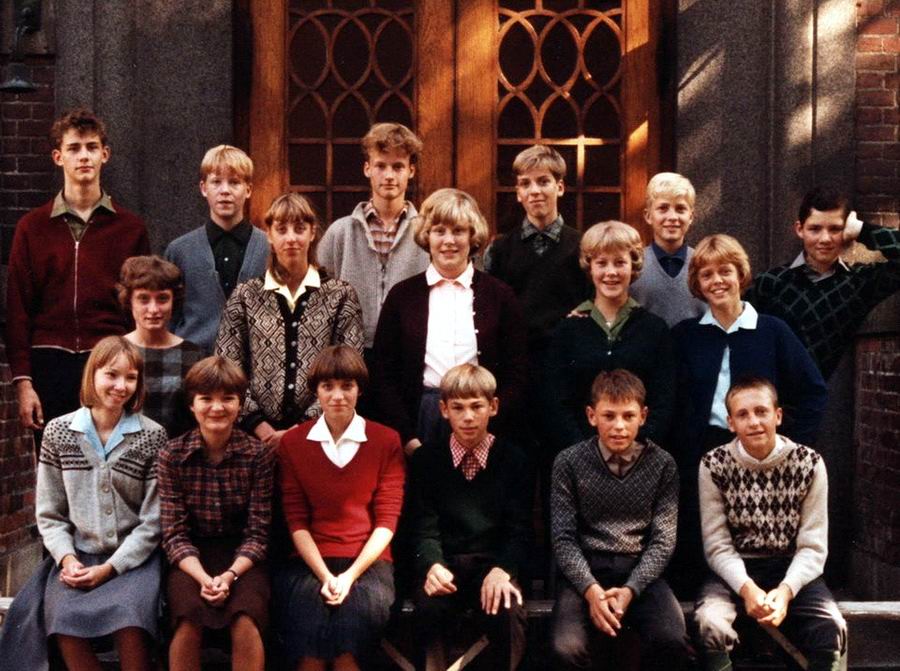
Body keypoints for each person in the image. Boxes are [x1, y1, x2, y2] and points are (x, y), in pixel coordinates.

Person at [670, 234, 827, 596]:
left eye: (725, 271)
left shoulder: (772, 331)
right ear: (697, 284)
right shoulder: (685, 336)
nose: (717, 281)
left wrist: (789, 447)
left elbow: (813, 391)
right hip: (701, 452)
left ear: (740, 274)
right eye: (707, 274)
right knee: (702, 537)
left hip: (760, 451)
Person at [0, 336, 166, 671]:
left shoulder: (152, 436)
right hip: (78, 553)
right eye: (111, 375)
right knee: (61, 617)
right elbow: (50, 514)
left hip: (134, 559)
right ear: (93, 375)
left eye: (130, 377)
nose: (120, 386)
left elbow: (153, 520)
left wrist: (111, 568)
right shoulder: (59, 432)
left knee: (131, 615)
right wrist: (67, 559)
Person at [6, 109, 150, 444]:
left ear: (105, 154)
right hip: (49, 362)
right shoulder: (32, 227)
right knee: (55, 466)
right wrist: (24, 383)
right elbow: (17, 309)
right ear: (58, 157)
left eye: (91, 147)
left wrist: (133, 369)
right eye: (73, 148)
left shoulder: (130, 228)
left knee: (111, 461)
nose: (83, 156)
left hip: (109, 362)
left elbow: (140, 309)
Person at [695, 377, 846, 671]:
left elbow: (813, 547)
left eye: (761, 411)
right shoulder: (714, 464)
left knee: (830, 625)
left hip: (792, 567)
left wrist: (786, 591)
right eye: (743, 414)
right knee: (710, 622)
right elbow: (717, 545)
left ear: (777, 415)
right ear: (730, 423)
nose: (754, 422)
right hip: (735, 568)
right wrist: (747, 589)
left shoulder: (809, 463)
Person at [274, 345, 405, 670]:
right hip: (309, 562)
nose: (337, 396)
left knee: (349, 642)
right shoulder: (293, 443)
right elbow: (296, 521)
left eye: (347, 386)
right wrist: (325, 576)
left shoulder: (386, 440)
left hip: (369, 563)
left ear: (360, 389)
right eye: (327, 386)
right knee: (311, 645)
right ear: (316, 391)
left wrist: (348, 577)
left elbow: (386, 521)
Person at [551, 369, 687, 671]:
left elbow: (663, 540)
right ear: (591, 416)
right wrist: (591, 591)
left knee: (671, 639)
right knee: (566, 648)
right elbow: (563, 538)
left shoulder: (662, 464)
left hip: (640, 570)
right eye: (609, 416)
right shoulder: (569, 462)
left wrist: (630, 590)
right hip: (585, 571)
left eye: (628, 416)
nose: (619, 426)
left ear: (643, 416)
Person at [372, 188, 527, 454]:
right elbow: (383, 372)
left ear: (472, 236)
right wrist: (407, 437)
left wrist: (491, 426)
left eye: (458, 231)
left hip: (482, 421)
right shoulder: (402, 296)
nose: (448, 241)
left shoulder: (499, 295)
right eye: (439, 231)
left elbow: (518, 370)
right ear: (427, 236)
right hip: (422, 419)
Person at [216, 192, 364, 448]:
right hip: (255, 437)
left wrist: (301, 428)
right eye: (282, 229)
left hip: (321, 434)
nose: (291, 238)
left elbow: (351, 368)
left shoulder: (340, 295)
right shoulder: (246, 295)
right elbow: (227, 367)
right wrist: (259, 426)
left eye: (299, 228)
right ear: (269, 235)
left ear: (312, 233)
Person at [407, 364, 531, 670]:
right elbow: (423, 528)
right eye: (458, 408)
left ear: (493, 407)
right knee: (428, 611)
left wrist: (503, 569)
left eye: (477, 407)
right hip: (445, 565)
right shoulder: (426, 460)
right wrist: (432, 565)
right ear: (443, 410)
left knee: (507, 609)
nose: (468, 417)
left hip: (492, 566)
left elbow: (519, 530)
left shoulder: (514, 460)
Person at [158, 356, 274, 671]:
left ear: (240, 404)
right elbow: (174, 534)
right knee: (188, 620)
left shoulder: (258, 455)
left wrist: (229, 575)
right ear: (192, 405)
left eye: (228, 398)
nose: (217, 407)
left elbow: (258, 532)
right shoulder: (172, 454)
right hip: (190, 557)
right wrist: (203, 578)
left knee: (245, 619)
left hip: (243, 558)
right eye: (206, 399)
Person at [544, 220, 676, 453]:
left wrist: (637, 448)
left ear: (633, 266)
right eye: (602, 263)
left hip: (640, 456)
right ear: (590, 267)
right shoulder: (568, 330)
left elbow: (664, 400)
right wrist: (584, 453)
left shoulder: (654, 329)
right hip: (580, 457)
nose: (611, 272)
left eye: (620, 262)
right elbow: (556, 401)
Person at [744, 184, 900, 380]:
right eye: (815, 229)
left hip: (813, 396)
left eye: (835, 229)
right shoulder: (770, 282)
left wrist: (862, 230)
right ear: (800, 229)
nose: (825, 239)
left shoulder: (859, 283)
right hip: (761, 393)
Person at [317, 122, 429, 359]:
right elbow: (318, 296)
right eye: (381, 166)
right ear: (367, 168)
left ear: (411, 171)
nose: (389, 175)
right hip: (350, 352)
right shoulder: (341, 232)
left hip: (409, 350)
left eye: (398, 167)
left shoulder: (426, 233)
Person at [484, 144, 590, 360]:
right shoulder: (499, 249)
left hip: (569, 357)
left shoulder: (584, 246)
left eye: (543, 182)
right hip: (515, 359)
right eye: (525, 184)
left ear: (560, 188)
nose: (534, 191)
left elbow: (596, 302)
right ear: (518, 193)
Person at [165, 144, 269, 354]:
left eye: (234, 182)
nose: (225, 191)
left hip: (256, 362)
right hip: (193, 363)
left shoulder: (268, 248)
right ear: (204, 188)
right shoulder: (179, 251)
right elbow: (169, 317)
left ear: (248, 189)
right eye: (216, 182)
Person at [118, 255, 204, 437]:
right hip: (124, 450)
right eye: (143, 299)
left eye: (162, 299)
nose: (154, 309)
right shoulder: (114, 351)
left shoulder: (192, 354)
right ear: (129, 301)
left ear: (174, 301)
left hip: (178, 450)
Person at [629, 172, 706, 327]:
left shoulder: (705, 264)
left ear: (691, 217)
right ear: (648, 216)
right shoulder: (632, 266)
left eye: (680, 209)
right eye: (663, 208)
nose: (672, 217)